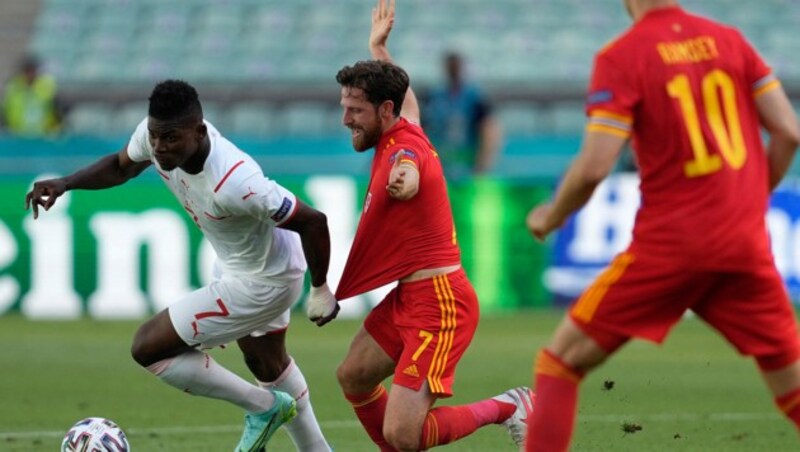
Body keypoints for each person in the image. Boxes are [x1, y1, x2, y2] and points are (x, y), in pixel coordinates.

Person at [524, 1, 800, 450]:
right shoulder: (730, 40)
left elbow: (595, 167)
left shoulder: (623, 56)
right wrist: (748, 202)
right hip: (743, 245)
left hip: (671, 247)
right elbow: (788, 131)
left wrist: (550, 215)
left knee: (560, 363)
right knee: (792, 386)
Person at [25, 80, 335, 452]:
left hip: (264, 282)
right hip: (241, 264)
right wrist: (65, 183)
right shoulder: (154, 135)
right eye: (155, 137)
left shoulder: (237, 182)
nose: (159, 148)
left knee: (148, 347)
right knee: (268, 364)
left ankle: (263, 408)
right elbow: (121, 166)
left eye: (170, 138)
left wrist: (321, 290)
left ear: (199, 132)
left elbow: (313, 221)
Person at [311, 1, 533, 450]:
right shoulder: (404, 125)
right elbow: (408, 98)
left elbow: (407, 172)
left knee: (402, 434)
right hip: (409, 297)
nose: (345, 119)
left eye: (355, 110)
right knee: (353, 375)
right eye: (345, 107)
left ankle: (509, 405)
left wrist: (404, 183)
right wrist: (378, 48)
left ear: (383, 110)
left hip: (440, 304)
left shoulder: (402, 152)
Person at [422, 51, 503, 181]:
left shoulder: (475, 96)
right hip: (441, 162)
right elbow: (423, 127)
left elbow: (489, 129)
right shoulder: (434, 96)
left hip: (468, 164)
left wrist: (484, 163)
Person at [2, 54, 63, 136]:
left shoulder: (48, 87)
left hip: (43, 136)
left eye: (32, 71)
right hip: (18, 137)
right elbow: (5, 112)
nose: (30, 75)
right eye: (27, 71)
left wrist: (54, 129)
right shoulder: (13, 88)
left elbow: (57, 111)